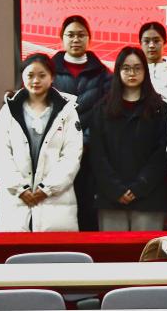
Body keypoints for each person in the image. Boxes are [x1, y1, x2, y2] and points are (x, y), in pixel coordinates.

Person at [0, 54, 82, 232]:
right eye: (30, 75)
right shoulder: (9, 110)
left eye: (42, 75)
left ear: (52, 77)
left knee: (55, 248)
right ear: (23, 77)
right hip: (15, 201)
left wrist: (47, 189)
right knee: (14, 247)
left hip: (56, 202)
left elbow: (72, 155)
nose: (36, 80)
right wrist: (19, 188)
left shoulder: (67, 111)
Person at [90, 46, 167, 231]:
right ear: (118, 71)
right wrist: (116, 189)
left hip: (149, 197)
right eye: (126, 68)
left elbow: (162, 153)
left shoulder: (160, 109)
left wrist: (139, 187)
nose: (132, 73)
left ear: (145, 71)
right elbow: (97, 155)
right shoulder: (102, 109)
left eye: (137, 68)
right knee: (114, 249)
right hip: (110, 198)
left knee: (147, 249)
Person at [51, 15, 111, 232]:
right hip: (56, 153)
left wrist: (84, 141)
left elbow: (106, 114)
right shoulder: (48, 71)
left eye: (81, 35)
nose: (76, 39)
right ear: (62, 38)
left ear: (89, 38)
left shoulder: (104, 75)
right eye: (70, 35)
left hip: (91, 153)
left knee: (87, 210)